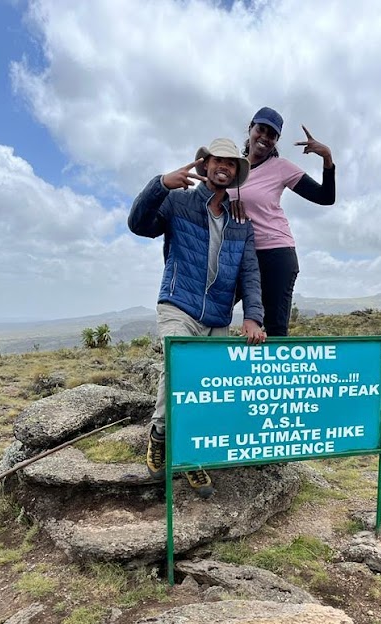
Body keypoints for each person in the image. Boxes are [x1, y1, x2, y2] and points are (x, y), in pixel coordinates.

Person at [127, 138, 266, 499]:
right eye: (218, 160)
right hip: (178, 303)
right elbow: (138, 225)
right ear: (204, 165)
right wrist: (158, 185)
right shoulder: (177, 201)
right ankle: (160, 433)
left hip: (218, 314)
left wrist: (253, 316)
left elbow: (250, 272)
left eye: (232, 163)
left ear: (236, 173)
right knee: (179, 367)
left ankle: (191, 455)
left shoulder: (241, 221)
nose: (224, 167)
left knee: (207, 388)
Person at [229, 106, 336, 336]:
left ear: (277, 140)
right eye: (262, 129)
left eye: (272, 134)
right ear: (251, 128)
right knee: (218, 310)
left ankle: (272, 372)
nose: (265, 137)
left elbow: (325, 197)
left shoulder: (280, 167)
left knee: (275, 328)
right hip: (239, 253)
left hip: (275, 254)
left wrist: (327, 157)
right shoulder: (233, 168)